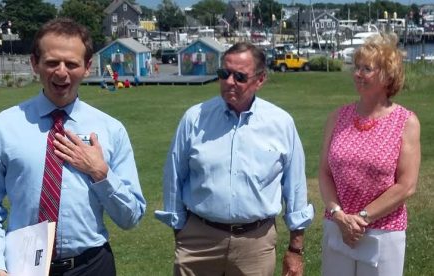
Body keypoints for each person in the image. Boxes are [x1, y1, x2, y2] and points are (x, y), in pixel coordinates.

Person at [0, 18, 146, 276]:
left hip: (92, 266)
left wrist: (100, 173)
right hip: (23, 266)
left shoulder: (111, 130)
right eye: (52, 62)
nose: (61, 72)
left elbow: (130, 218)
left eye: (71, 64)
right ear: (34, 64)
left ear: (86, 67)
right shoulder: (1, 128)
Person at [155, 42, 314, 276]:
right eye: (224, 73)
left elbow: (296, 189)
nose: (230, 82)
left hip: (256, 244)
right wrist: (181, 231)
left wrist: (295, 249)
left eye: (240, 76)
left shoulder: (281, 123)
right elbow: (174, 177)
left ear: (260, 80)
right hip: (198, 242)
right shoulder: (194, 118)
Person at [318, 33, 420, 276]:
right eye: (357, 67)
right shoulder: (337, 117)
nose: (358, 73)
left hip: (383, 231)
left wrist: (361, 218)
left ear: (387, 76)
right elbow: (324, 172)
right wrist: (339, 215)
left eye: (367, 68)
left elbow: (406, 185)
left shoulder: (406, 122)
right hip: (338, 226)